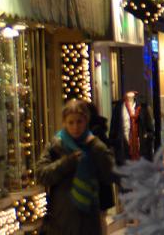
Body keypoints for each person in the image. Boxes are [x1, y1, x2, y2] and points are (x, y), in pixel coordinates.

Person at [37, 99, 115, 235]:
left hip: (89, 221)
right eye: (71, 122)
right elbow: (42, 175)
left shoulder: (94, 145)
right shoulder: (56, 146)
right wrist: (66, 163)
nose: (75, 127)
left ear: (86, 121)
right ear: (64, 123)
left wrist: (97, 148)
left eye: (79, 122)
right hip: (61, 221)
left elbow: (110, 175)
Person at [85, 103, 116, 215]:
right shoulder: (97, 129)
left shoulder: (94, 132)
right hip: (101, 184)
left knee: (100, 219)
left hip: (99, 184)